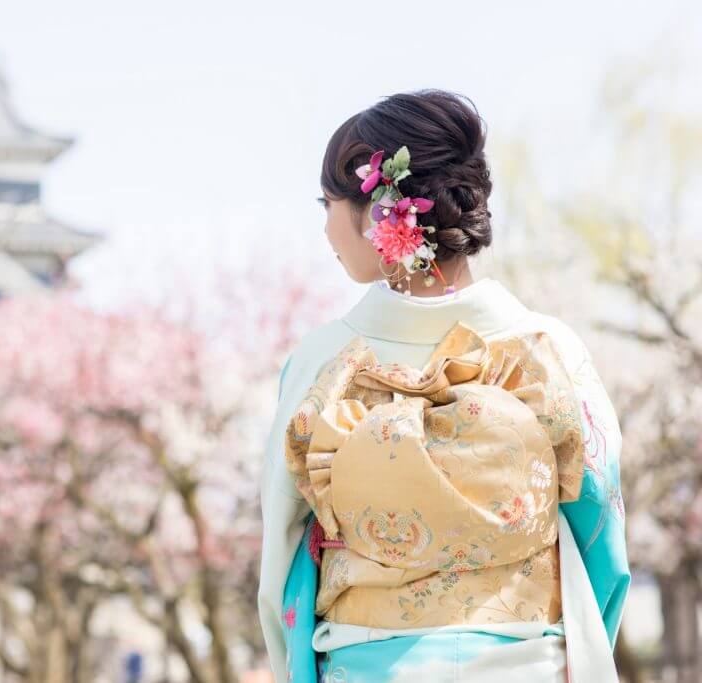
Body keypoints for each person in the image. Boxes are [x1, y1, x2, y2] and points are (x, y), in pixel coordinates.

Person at [257, 90, 629, 683]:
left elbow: (284, 544)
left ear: (378, 213)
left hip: (367, 663)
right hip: (531, 661)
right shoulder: (549, 350)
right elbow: (601, 535)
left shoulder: (324, 361)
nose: (324, 223)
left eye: (326, 202)